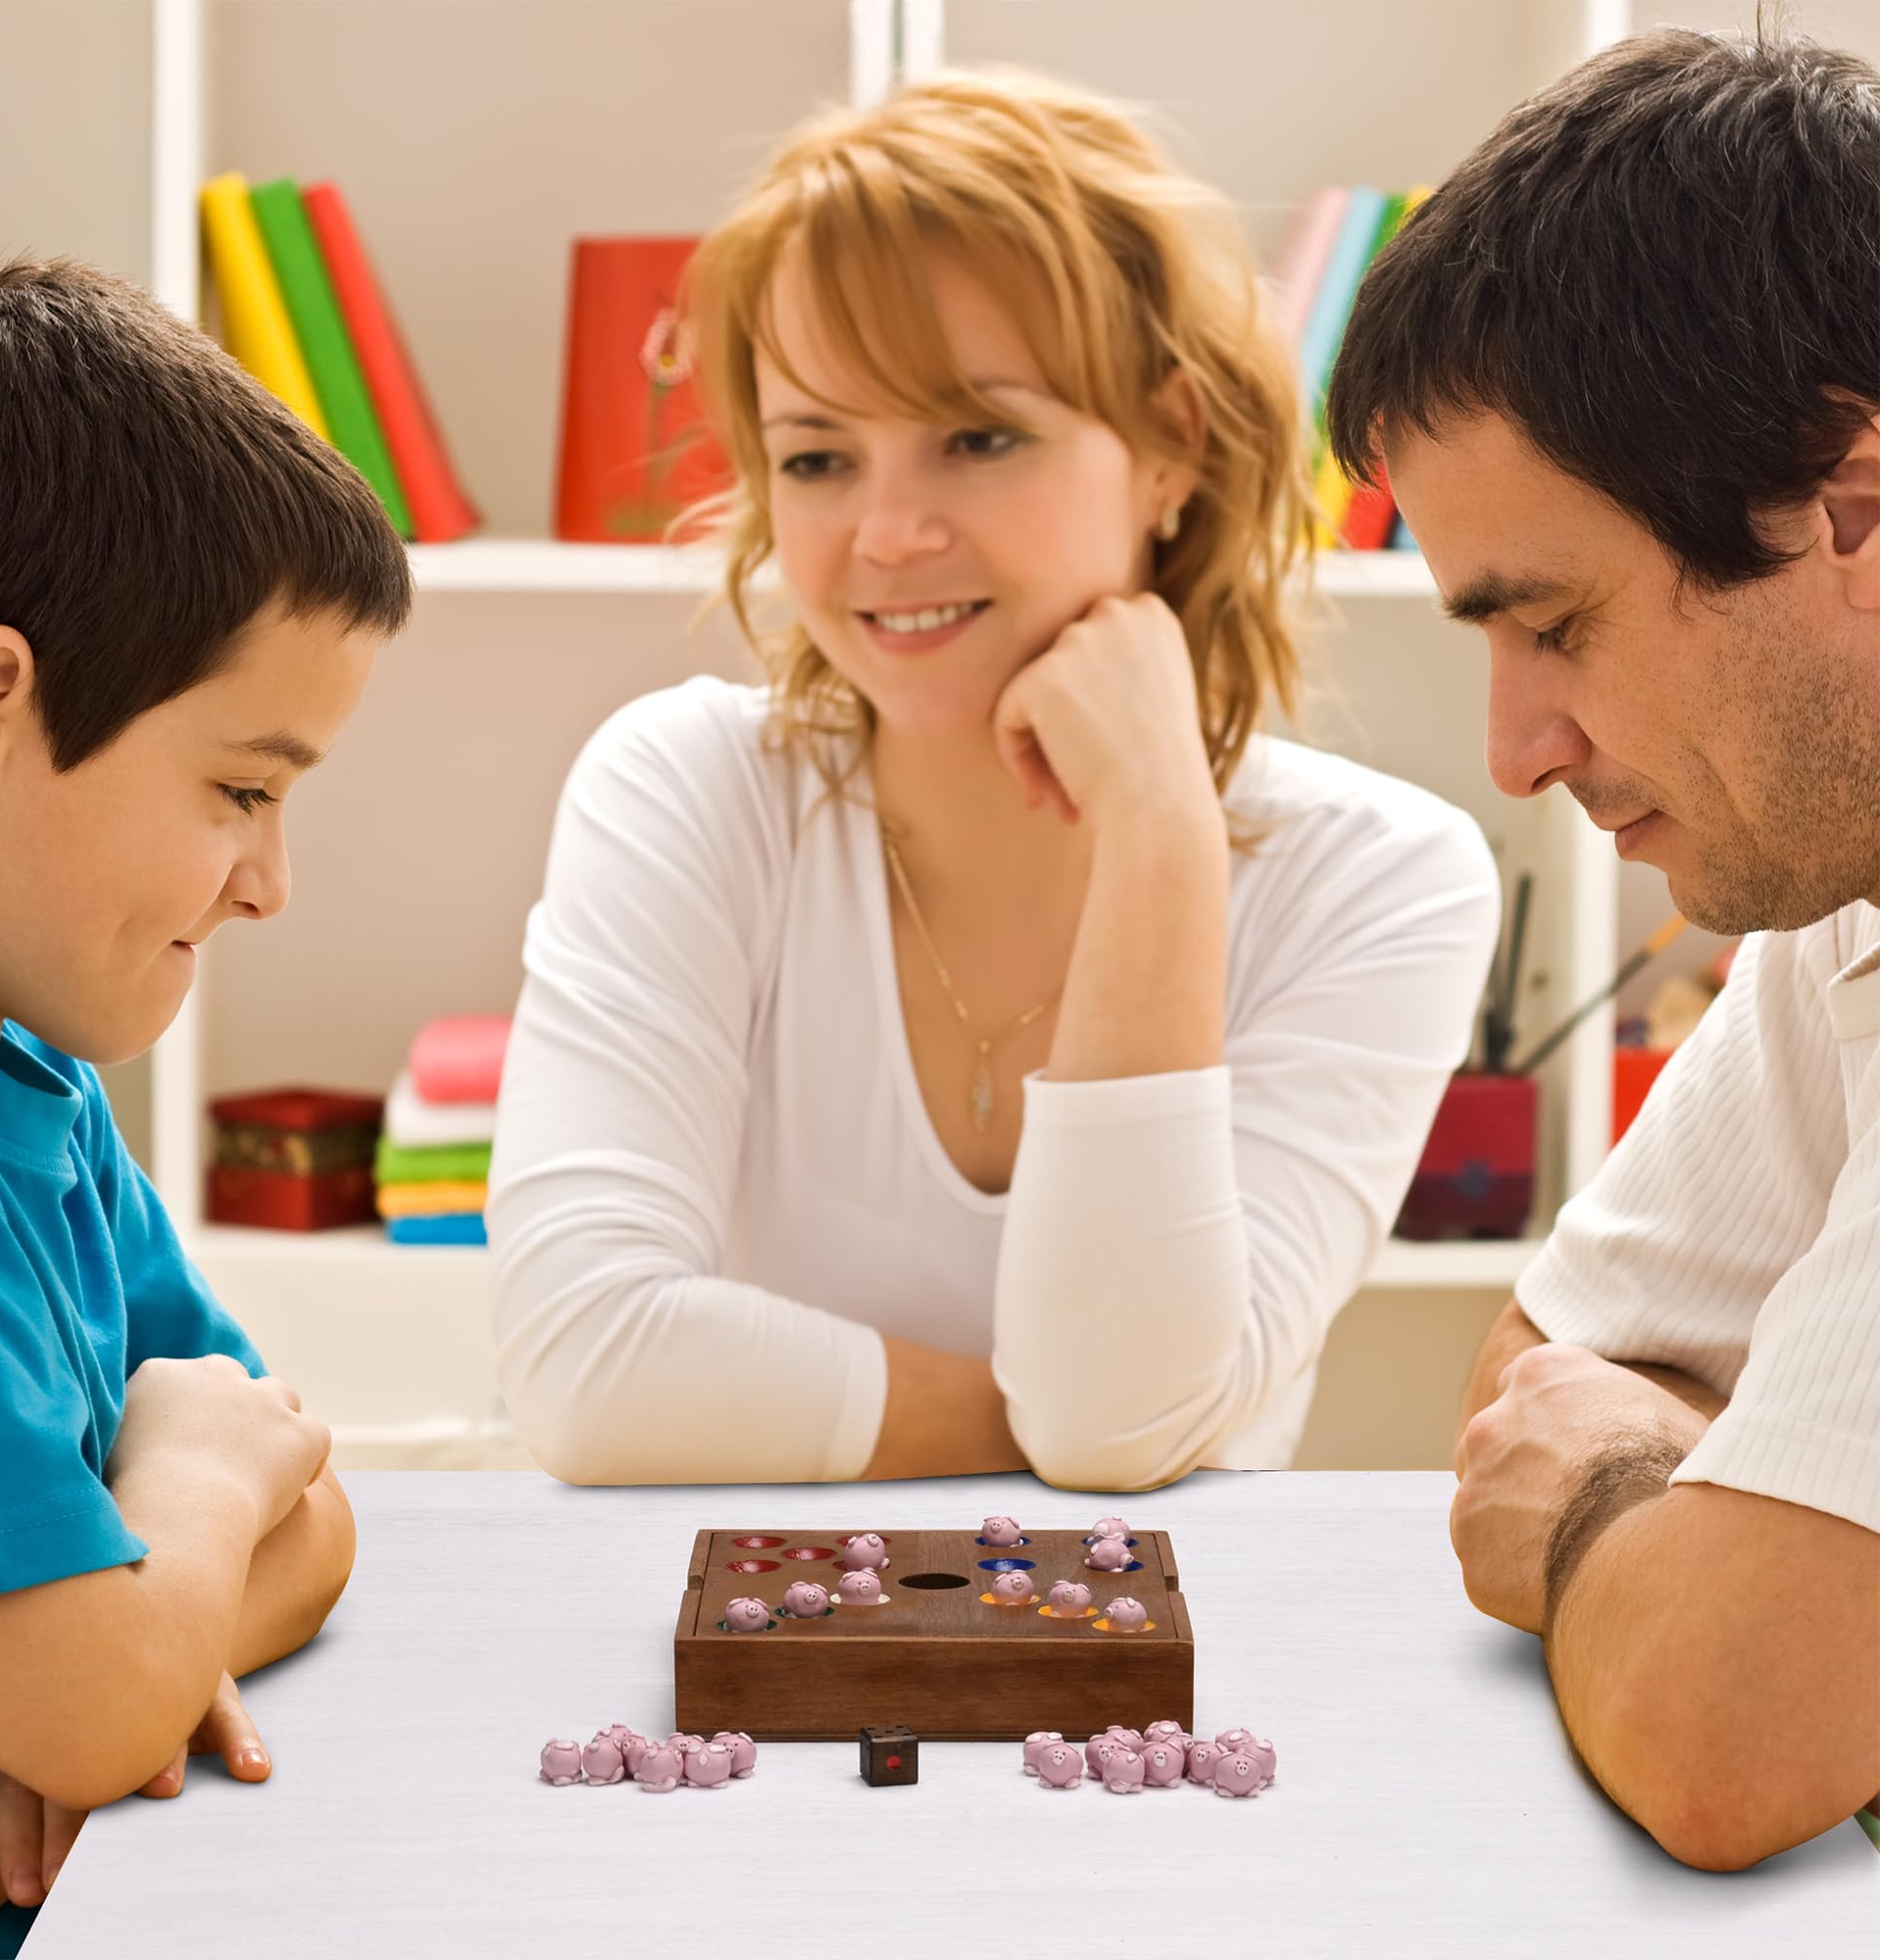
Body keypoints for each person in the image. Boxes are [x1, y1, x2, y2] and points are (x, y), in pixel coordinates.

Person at [488, 71, 1501, 1491]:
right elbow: (586, 1367)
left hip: (1158, 1699)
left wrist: (1159, 834)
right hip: (721, 1675)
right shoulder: (689, 788)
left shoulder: (1382, 879)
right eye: (818, 456)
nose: (887, 534)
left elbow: (1120, 1418)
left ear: (1172, 447)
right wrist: (1046, 1428)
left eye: (977, 437)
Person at [1326, 26, 1880, 1872]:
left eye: (1553, 622)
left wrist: (1634, 1501)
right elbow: (1531, 1377)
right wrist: (1687, 1526)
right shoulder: (1841, 879)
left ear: (1849, 512)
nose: (1515, 753)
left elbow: (1730, 1730)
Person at [0, 259, 411, 1957]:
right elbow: (98, 1685)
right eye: (242, 789)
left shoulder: (41, 1100)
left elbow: (315, 1509)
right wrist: (182, 1502)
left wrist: (153, 1636)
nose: (270, 883)